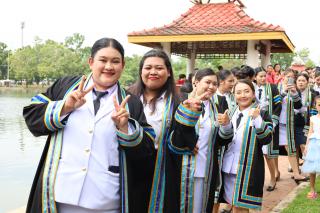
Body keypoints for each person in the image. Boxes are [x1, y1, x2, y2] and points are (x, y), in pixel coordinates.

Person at [23, 38, 156, 213]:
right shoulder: (65, 87)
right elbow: (31, 114)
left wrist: (126, 128)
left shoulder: (131, 103)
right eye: (103, 60)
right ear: (91, 62)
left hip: (106, 200)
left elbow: (147, 151)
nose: (109, 66)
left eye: (115, 61)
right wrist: (65, 107)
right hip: (59, 196)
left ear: (123, 65)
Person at [128, 49, 209, 213]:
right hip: (130, 165)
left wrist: (188, 117)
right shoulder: (127, 97)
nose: (153, 72)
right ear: (141, 71)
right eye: (148, 67)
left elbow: (186, 143)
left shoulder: (180, 101)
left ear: (169, 72)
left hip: (164, 168)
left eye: (159, 68)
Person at [219, 79, 273, 212]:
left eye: (246, 91)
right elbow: (222, 139)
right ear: (234, 95)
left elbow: (267, 139)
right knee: (232, 203)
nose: (243, 95)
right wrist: (225, 124)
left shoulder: (262, 113)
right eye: (238, 92)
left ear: (253, 94)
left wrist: (257, 119)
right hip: (228, 167)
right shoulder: (229, 113)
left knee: (241, 207)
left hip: (248, 168)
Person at [278, 69, 309, 184]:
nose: (289, 79)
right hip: (277, 124)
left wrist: (294, 93)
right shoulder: (275, 88)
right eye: (287, 77)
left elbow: (299, 105)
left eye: (292, 77)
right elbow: (273, 103)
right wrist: (284, 92)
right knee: (270, 152)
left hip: (289, 125)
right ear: (283, 76)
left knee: (290, 149)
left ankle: (296, 174)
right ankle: (275, 174)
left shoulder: (295, 90)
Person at [254, 67, 282, 191]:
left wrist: (274, 122)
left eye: (264, 75)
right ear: (255, 77)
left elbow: (278, 105)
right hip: (254, 122)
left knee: (268, 153)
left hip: (268, 121)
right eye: (260, 76)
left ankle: (272, 178)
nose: (263, 78)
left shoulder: (273, 88)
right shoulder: (251, 88)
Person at [302, 95, 320, 199]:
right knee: (312, 168)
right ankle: (312, 189)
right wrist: (307, 146)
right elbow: (310, 132)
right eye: (319, 105)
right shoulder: (312, 118)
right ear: (315, 106)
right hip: (314, 144)